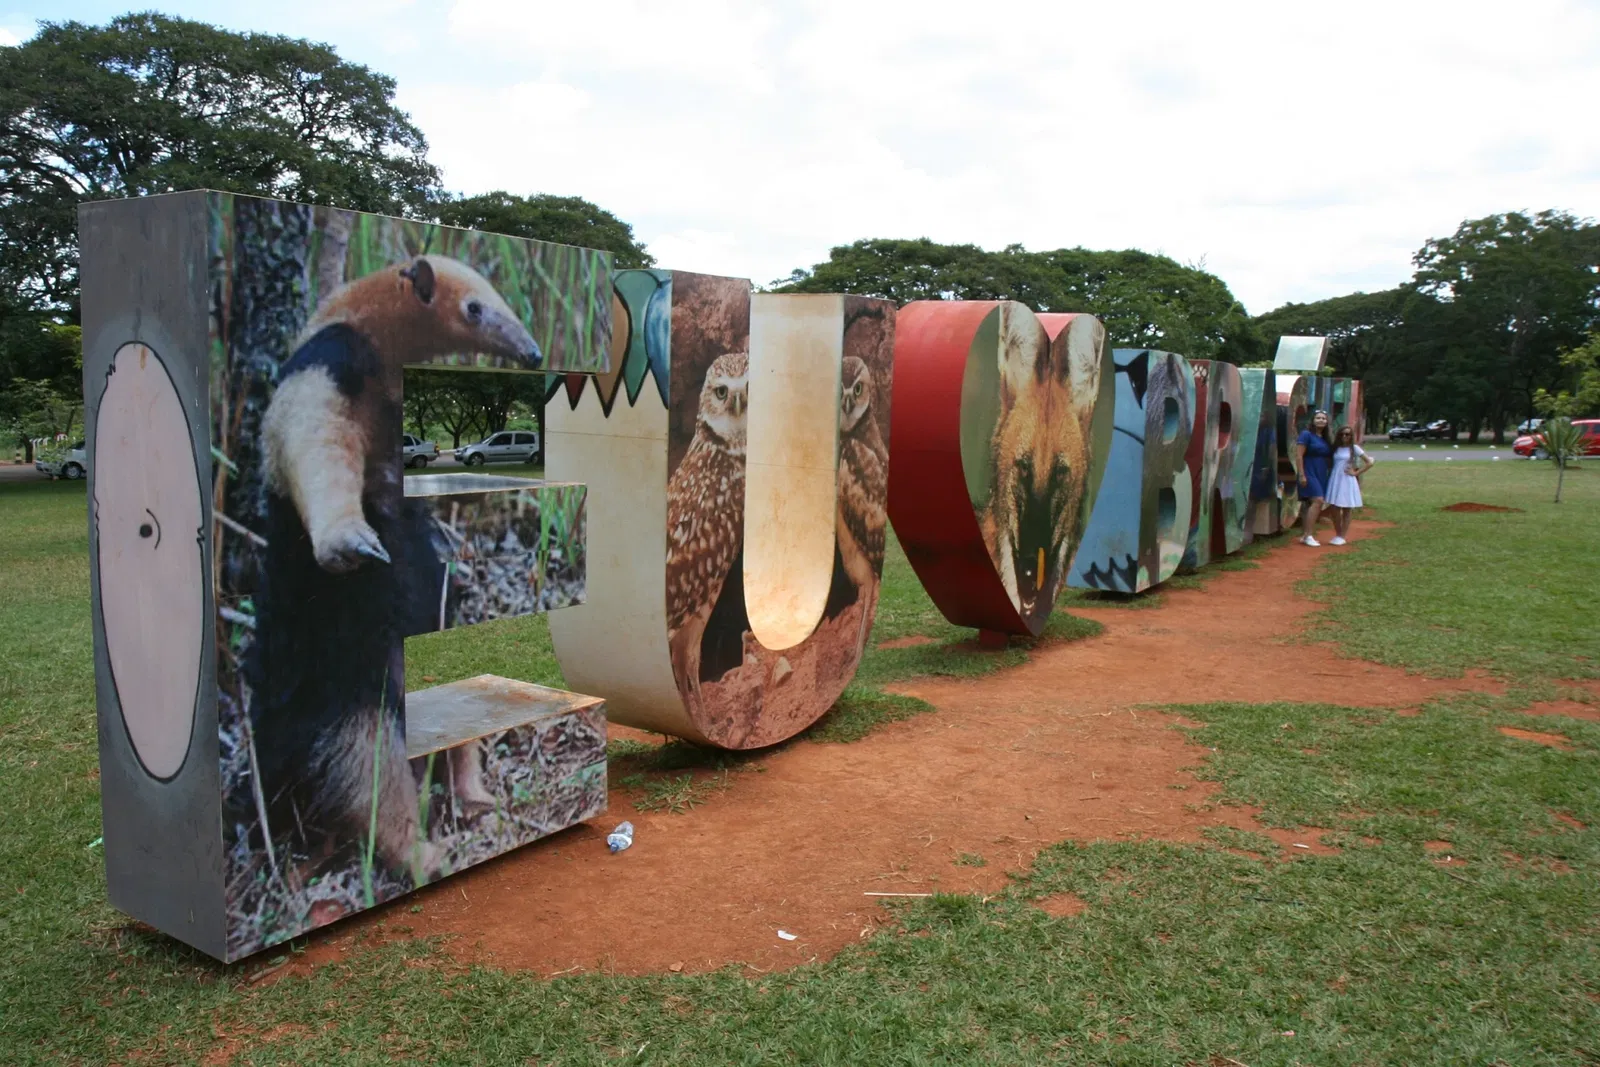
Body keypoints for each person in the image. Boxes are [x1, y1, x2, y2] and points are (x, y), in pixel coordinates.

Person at [1324, 424, 1373, 545]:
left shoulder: (1354, 448)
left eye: (1347, 434)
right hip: (1335, 479)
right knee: (1334, 507)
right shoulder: (1335, 448)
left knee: (1347, 508)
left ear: (1351, 436)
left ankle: (1342, 536)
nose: (1344, 436)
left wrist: (1356, 473)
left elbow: (1369, 462)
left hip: (1347, 479)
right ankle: (1338, 533)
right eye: (1342, 434)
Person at [1295, 410, 1334, 546]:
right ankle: (1309, 535)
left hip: (1321, 472)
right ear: (1313, 420)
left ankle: (1305, 535)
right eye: (1318, 418)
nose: (1321, 420)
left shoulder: (1325, 438)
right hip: (1308, 471)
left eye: (1323, 418)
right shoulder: (1306, 435)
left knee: (1311, 504)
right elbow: (1299, 455)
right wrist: (1302, 474)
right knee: (1318, 500)